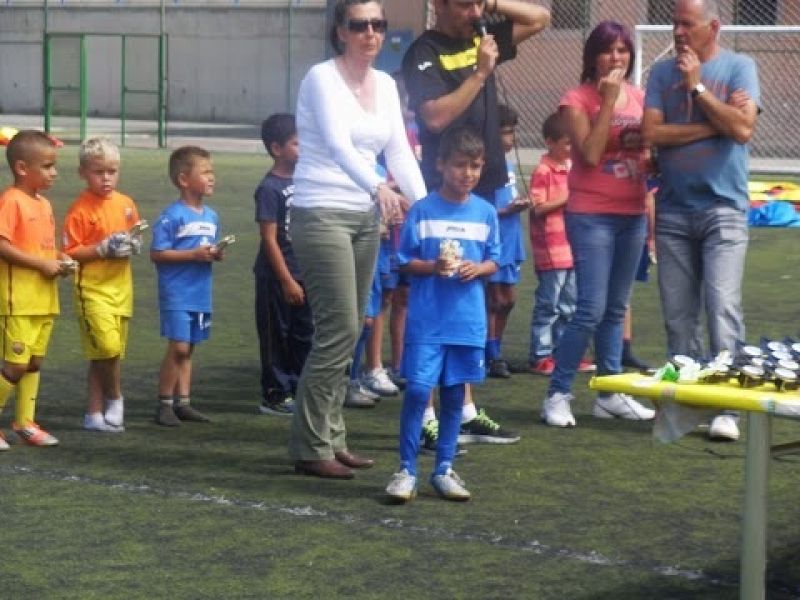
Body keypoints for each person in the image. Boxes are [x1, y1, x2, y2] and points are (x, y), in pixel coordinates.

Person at [288, 0, 427, 480]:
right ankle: (310, 444)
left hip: (366, 215)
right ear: (340, 31)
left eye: (379, 25)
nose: (371, 33)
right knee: (340, 328)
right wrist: (378, 187)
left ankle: (333, 436)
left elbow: (401, 153)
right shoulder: (321, 78)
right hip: (321, 209)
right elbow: (337, 143)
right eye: (360, 25)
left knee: (357, 326)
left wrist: (426, 209)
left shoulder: (386, 84)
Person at [402, 0, 548, 443]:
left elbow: (540, 18)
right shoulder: (424, 51)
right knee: (432, 295)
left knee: (473, 294)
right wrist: (481, 73)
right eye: (464, 4)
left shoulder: (483, 36)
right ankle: (426, 415)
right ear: (439, 5)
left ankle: (463, 409)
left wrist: (493, 3)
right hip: (443, 188)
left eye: (476, 3)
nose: (473, 12)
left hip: (483, 186)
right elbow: (435, 115)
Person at [642, 0, 760, 441]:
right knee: (677, 316)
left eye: (685, 24)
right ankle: (686, 403)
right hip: (673, 209)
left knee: (721, 306)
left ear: (712, 27)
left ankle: (727, 405)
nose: (677, 32)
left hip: (723, 211)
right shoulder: (658, 73)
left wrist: (698, 91)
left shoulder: (739, 67)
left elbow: (744, 130)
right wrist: (718, 123)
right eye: (674, 23)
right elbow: (653, 133)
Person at [541, 21, 656, 428]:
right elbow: (589, 155)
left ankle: (610, 392)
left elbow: (650, 155)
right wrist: (607, 102)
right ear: (592, 57)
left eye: (623, 50)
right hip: (591, 214)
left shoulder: (641, 97)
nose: (616, 58)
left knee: (616, 307)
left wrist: (650, 152)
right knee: (590, 308)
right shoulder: (576, 99)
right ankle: (557, 393)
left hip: (631, 213)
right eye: (608, 50)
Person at [386, 126, 500, 503]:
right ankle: (405, 469)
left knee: (454, 394)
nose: (468, 173)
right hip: (428, 320)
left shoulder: (485, 213)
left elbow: (495, 259)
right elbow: (402, 261)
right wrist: (432, 267)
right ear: (440, 165)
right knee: (419, 390)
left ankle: (444, 468)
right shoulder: (423, 210)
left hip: (467, 322)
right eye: (460, 165)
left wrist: (477, 268)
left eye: (476, 166)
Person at [62, 137, 143, 433]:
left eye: (112, 171)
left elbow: (136, 234)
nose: (106, 178)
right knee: (107, 348)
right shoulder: (80, 209)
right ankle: (115, 397)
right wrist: (101, 249)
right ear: (83, 172)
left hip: (122, 288)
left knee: (107, 354)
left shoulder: (125, 203)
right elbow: (70, 252)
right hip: (92, 290)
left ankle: (93, 414)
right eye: (99, 172)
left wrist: (132, 245)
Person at [0, 130, 70, 449]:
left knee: (33, 364)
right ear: (22, 168)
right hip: (18, 301)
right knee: (15, 364)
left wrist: (60, 259)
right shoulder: (11, 201)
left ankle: (25, 423)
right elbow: (3, 245)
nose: (54, 173)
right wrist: (41, 266)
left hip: (44, 298)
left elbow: (42, 248)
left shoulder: (44, 205)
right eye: (47, 166)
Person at [151, 146, 225, 427]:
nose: (211, 178)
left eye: (212, 172)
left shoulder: (211, 216)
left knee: (190, 347)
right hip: (177, 293)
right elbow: (158, 253)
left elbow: (205, 250)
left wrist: (215, 254)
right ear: (184, 179)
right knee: (179, 347)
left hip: (200, 293)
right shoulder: (172, 216)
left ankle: (184, 402)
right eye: (205, 172)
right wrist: (193, 255)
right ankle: (164, 403)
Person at [253, 113, 312, 417]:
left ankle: (301, 387)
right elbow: (269, 239)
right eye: (297, 144)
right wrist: (286, 279)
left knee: (304, 333)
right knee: (277, 333)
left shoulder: (307, 181)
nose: (304, 149)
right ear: (277, 149)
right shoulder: (270, 188)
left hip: (306, 273)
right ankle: (275, 393)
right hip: (276, 276)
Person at [485, 103, 527, 379]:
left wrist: (521, 203)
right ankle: (489, 354)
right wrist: (504, 211)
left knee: (508, 299)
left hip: (512, 239)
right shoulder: (485, 166)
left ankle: (495, 348)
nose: (509, 139)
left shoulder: (510, 165)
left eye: (512, 133)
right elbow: (483, 207)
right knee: (492, 299)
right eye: (504, 132)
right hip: (494, 240)